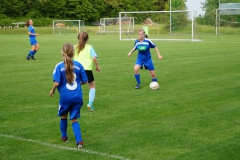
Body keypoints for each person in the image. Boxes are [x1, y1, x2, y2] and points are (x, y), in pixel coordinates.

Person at [49, 43, 88, 149]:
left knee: (63, 116)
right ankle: (79, 141)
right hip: (77, 96)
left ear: (62, 53)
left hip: (65, 97)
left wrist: (52, 90)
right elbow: (85, 81)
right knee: (74, 119)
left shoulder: (59, 66)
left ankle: (64, 137)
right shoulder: (79, 65)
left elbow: (57, 83)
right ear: (73, 52)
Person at [74, 32, 100, 112]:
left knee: (76, 86)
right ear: (87, 39)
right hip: (87, 70)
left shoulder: (74, 47)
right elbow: (94, 58)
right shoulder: (89, 47)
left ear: (78, 38)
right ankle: (90, 103)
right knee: (92, 87)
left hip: (76, 69)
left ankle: (75, 103)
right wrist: (97, 67)